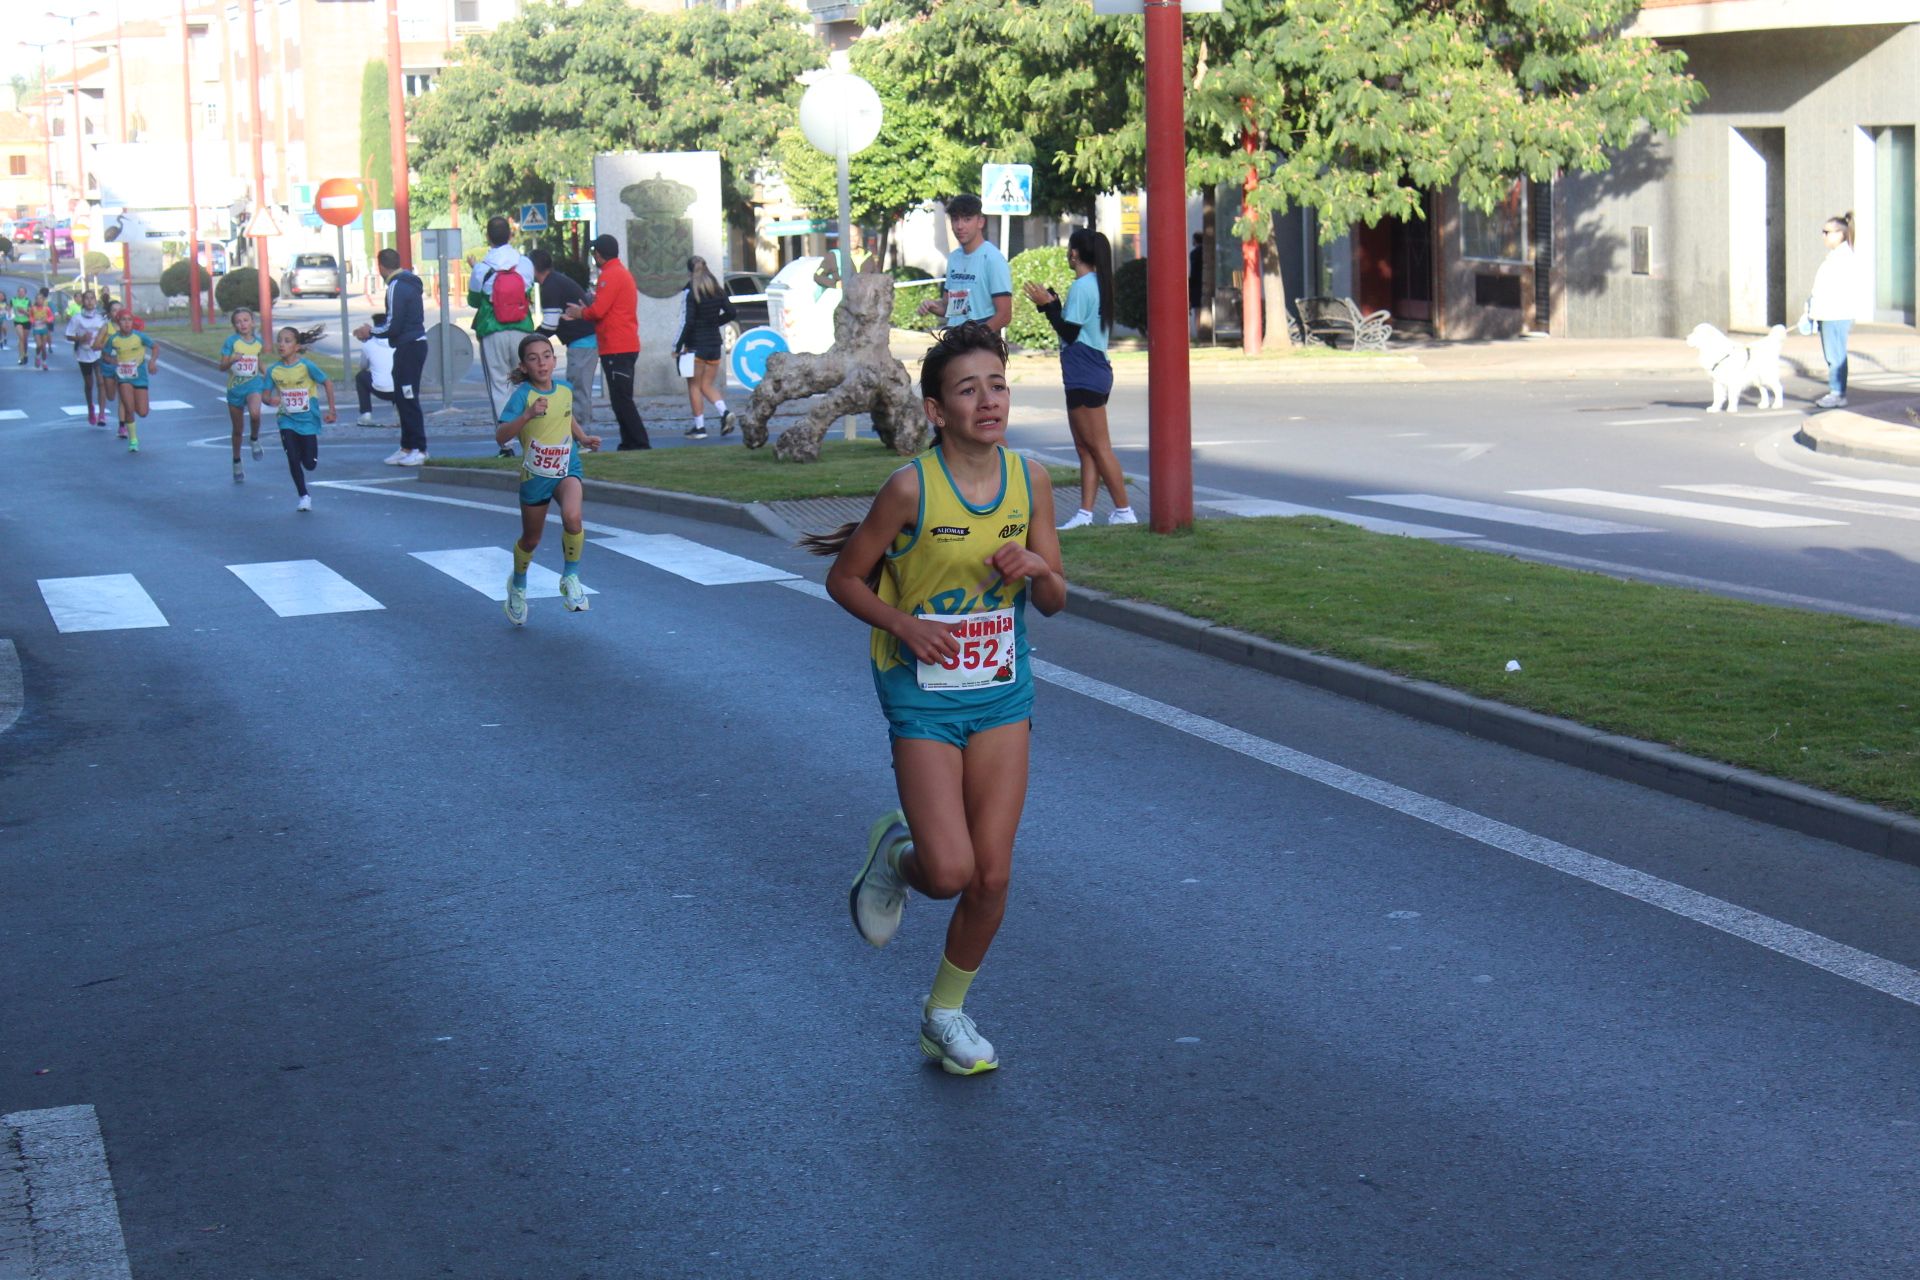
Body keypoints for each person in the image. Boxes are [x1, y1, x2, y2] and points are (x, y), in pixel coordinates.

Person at [807, 322, 1067, 1077]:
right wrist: (904, 626)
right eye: (968, 389)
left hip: (999, 690)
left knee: (994, 874)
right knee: (949, 872)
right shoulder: (911, 487)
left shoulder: (1032, 482)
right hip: (920, 692)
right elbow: (845, 579)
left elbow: (1053, 600)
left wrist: (1035, 570)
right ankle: (897, 856)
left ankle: (944, 1014)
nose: (988, 401)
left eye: (998, 385)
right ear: (935, 410)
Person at [1023, 228, 1135, 528]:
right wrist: (1053, 305)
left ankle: (1124, 510)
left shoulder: (1083, 287)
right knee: (1085, 448)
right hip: (1089, 369)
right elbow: (1074, 325)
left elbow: (1069, 332)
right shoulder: (1096, 284)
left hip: (1084, 369)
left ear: (1074, 253)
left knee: (1098, 447)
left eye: (1069, 249)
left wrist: (1047, 307)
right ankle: (1084, 514)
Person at [495, 333, 600, 625]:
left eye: (547, 355)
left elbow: (566, 417)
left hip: (567, 466)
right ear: (524, 366)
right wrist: (527, 416)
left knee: (573, 517)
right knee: (531, 539)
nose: (542, 363)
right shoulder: (522, 397)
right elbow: (502, 436)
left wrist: (583, 438)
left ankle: (570, 577)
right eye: (533, 358)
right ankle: (517, 585)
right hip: (536, 475)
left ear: (555, 360)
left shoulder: (565, 390)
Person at [564, 234, 650, 450]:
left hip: (617, 346)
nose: (593, 256)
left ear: (599, 255)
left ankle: (639, 442)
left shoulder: (610, 276)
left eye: (594, 252)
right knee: (620, 398)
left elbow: (599, 310)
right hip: (621, 344)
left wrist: (578, 312)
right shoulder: (619, 273)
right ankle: (629, 441)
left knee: (621, 398)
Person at [356, 247, 428, 466]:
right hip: (410, 346)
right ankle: (407, 446)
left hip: (409, 346)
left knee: (407, 398)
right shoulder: (410, 282)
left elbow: (393, 323)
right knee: (402, 396)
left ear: (381, 267)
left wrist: (371, 332)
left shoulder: (396, 286)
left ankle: (419, 448)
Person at [469, 215, 536, 421]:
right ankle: (528, 431)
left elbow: (474, 301)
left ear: (488, 237)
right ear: (510, 235)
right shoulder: (525, 264)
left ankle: (506, 439)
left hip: (492, 329)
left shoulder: (481, 268)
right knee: (525, 380)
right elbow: (528, 290)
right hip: (522, 328)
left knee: (499, 383)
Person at [263, 325, 337, 512]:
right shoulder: (273, 371)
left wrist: (332, 410)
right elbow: (265, 394)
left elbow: (327, 381)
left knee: (309, 464)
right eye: (279, 340)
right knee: (293, 458)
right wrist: (270, 399)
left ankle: (308, 462)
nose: (282, 345)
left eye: (287, 341)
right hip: (286, 420)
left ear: (296, 346)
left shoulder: (306, 366)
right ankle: (303, 495)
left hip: (308, 420)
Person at [917, 194, 1012, 333]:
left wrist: (975, 338)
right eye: (955, 220)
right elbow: (951, 308)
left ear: (980, 222)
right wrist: (932, 306)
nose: (960, 226)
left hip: (981, 347)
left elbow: (1004, 315)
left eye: (967, 219)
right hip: (955, 341)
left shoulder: (993, 259)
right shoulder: (954, 257)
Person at [530, 248, 597, 428]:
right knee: (578, 388)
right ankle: (581, 433)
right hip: (585, 341)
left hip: (582, 343)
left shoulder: (550, 287)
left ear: (533, 269)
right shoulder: (557, 280)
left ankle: (583, 436)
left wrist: (532, 340)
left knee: (578, 390)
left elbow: (550, 324)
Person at [674, 256, 737, 440]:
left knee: (694, 385)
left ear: (689, 272)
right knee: (706, 385)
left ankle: (700, 427)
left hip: (696, 346)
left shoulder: (691, 291)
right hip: (714, 345)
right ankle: (724, 412)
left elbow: (689, 321)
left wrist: (679, 345)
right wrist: (715, 322)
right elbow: (732, 312)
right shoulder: (716, 289)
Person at [1808, 212, 1864, 409]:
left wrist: (1814, 310)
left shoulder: (1843, 258)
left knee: (1835, 355)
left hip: (1835, 313)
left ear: (1840, 234)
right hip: (1828, 313)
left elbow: (1832, 290)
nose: (1823, 236)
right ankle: (1836, 391)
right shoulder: (1835, 257)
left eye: (1827, 232)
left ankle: (1837, 392)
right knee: (1833, 354)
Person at [218, 307, 269, 481]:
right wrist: (231, 360)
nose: (243, 324)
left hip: (253, 384)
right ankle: (237, 461)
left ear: (252, 322)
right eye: (238, 321)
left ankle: (254, 438)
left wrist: (269, 374)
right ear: (235, 325)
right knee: (238, 430)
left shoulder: (258, 342)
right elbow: (222, 366)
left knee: (255, 414)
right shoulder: (231, 342)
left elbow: (258, 360)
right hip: (235, 388)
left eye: (246, 320)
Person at [100, 305, 158, 453]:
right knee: (129, 408)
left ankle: (140, 407)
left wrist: (152, 361)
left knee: (143, 412)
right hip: (123, 377)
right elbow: (105, 354)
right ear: (118, 322)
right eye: (124, 320)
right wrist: (114, 362)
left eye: (129, 320)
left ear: (133, 322)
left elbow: (155, 347)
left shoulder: (139, 336)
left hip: (140, 378)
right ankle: (133, 440)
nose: (127, 323)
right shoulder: (114, 339)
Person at [64, 291, 106, 425]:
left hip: (98, 353)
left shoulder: (101, 318)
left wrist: (102, 343)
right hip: (83, 353)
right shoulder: (77, 318)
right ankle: (90, 408)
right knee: (89, 384)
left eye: (92, 298)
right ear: (82, 301)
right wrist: (80, 338)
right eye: (86, 299)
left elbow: (106, 332)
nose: (89, 301)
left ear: (95, 301)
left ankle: (102, 413)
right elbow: (68, 335)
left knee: (101, 382)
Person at [354, 313, 396, 427]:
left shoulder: (368, 344)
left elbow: (363, 366)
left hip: (379, 389)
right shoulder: (397, 341)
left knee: (360, 376)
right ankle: (399, 411)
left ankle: (366, 414)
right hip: (399, 390)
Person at [29, 289, 55, 371]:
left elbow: (51, 316)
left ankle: (44, 363)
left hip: (44, 329)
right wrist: (32, 321)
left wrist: (47, 320)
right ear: (36, 300)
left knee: (44, 347)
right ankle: (37, 357)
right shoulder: (33, 308)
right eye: (38, 299)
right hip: (36, 329)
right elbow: (30, 316)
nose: (39, 300)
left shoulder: (46, 309)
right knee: (39, 345)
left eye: (41, 299)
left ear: (43, 300)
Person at [1188, 230, 1205, 341]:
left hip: (1196, 286)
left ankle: (1200, 334)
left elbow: (1193, 272)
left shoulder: (1194, 254)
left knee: (1197, 312)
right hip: (1203, 284)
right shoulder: (1207, 252)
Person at [11, 286, 31, 365]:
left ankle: (25, 354)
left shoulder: (28, 301)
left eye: (22, 292)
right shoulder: (13, 300)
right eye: (19, 291)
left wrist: (24, 311)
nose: (21, 293)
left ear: (25, 293)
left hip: (26, 321)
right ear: (17, 292)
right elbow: (8, 309)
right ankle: (20, 356)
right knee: (21, 338)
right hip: (17, 321)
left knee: (25, 340)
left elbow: (30, 314)